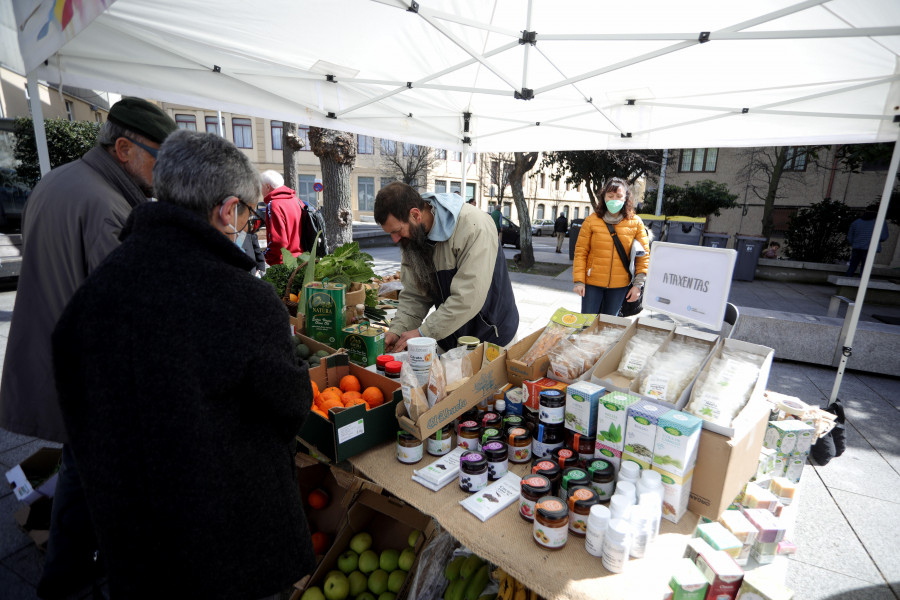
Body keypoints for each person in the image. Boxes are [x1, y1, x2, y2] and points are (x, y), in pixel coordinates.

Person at [51, 130, 315, 599]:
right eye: (248, 216)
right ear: (226, 209)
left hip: (134, 541)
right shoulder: (244, 300)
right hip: (228, 538)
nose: (246, 227)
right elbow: (291, 405)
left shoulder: (95, 294)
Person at [0, 97, 176, 598]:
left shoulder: (58, 181)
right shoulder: (107, 207)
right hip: (90, 378)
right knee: (90, 477)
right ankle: (72, 577)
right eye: (159, 159)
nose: (162, 174)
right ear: (124, 148)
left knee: (81, 469)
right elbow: (130, 314)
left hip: (58, 358)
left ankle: (71, 570)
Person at [374, 182, 519, 352]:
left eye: (397, 231)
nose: (395, 239)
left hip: (492, 338)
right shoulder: (413, 238)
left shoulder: (474, 225)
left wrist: (424, 332)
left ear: (415, 215)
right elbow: (415, 295)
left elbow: (468, 297)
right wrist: (397, 330)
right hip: (448, 338)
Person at [573, 177, 649, 315]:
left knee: (608, 326)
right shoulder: (591, 221)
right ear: (604, 197)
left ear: (625, 198)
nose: (614, 199)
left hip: (619, 286)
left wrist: (638, 286)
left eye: (619, 196)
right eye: (610, 195)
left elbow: (643, 257)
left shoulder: (636, 222)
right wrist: (579, 281)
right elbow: (580, 252)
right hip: (592, 285)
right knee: (587, 324)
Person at [260, 169, 304, 265]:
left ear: (268, 186)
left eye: (261, 186)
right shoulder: (297, 201)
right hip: (302, 259)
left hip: (283, 262)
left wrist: (265, 256)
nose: (260, 190)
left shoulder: (274, 204)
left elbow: (279, 241)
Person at [846, 205, 889, 276]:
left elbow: (850, 237)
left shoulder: (856, 222)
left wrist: (855, 243)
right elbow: (884, 237)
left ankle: (845, 282)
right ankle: (861, 285)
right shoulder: (880, 222)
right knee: (865, 269)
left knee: (852, 267)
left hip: (856, 248)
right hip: (870, 248)